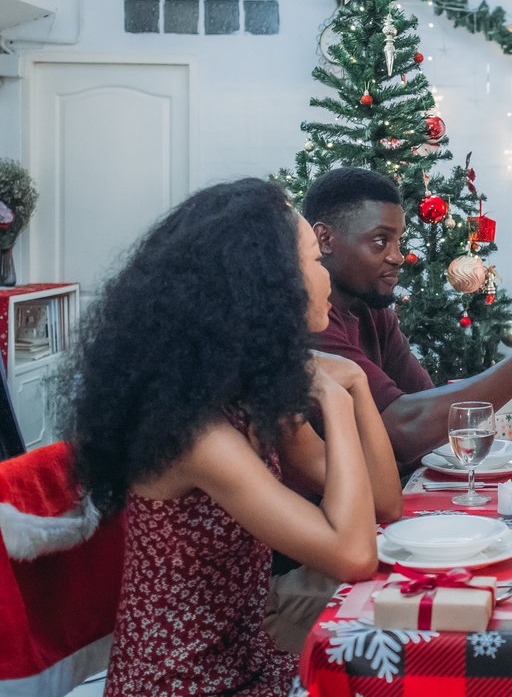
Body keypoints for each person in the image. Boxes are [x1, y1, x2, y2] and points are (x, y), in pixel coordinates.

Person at [68, 179, 402, 696]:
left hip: (250, 665)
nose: (327, 282)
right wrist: (335, 403)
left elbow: (384, 504)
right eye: (315, 263)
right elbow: (354, 555)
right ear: (269, 285)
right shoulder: (196, 432)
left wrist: (354, 382)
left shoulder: (250, 397)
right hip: (187, 685)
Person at [301, 168, 512, 463]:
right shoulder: (310, 323)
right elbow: (402, 430)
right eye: (380, 241)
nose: (398, 256)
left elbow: (428, 407)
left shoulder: (374, 310)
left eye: (399, 240)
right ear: (325, 239)